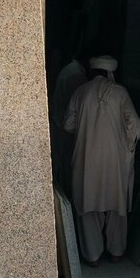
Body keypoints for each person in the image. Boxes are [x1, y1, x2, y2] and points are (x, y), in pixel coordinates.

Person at [64, 56, 140, 266]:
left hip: (85, 159)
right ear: (110, 73)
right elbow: (134, 123)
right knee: (116, 206)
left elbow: (68, 125)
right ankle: (117, 252)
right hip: (114, 162)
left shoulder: (80, 92)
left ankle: (93, 256)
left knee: (89, 205)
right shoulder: (120, 92)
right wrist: (126, 147)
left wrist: (86, 128)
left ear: (93, 72)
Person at [51, 53, 89, 196]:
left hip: (60, 124)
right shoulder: (76, 75)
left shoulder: (70, 70)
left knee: (63, 165)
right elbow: (72, 118)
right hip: (64, 128)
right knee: (67, 167)